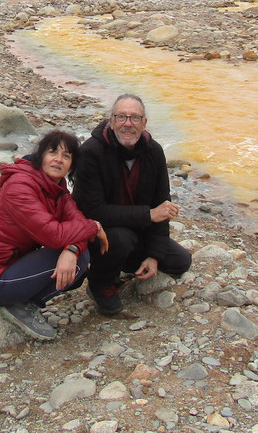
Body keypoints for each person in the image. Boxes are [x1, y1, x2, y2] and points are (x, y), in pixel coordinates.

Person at [0, 129, 109, 340]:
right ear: (41, 156)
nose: (58, 160)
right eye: (53, 153)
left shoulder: (55, 188)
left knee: (78, 256)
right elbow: (54, 235)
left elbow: (76, 220)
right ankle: (17, 305)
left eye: (66, 156)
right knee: (80, 260)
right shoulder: (20, 186)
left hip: (9, 266)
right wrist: (94, 227)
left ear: (72, 165)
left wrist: (72, 248)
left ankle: (15, 301)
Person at [73, 93, 192, 316]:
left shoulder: (153, 152)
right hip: (100, 234)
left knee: (180, 261)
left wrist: (154, 256)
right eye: (121, 117)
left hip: (138, 231)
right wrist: (148, 215)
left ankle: (125, 265)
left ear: (144, 123)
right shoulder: (91, 152)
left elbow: (161, 206)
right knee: (121, 238)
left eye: (135, 118)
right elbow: (91, 210)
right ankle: (99, 283)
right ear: (111, 121)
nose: (128, 124)